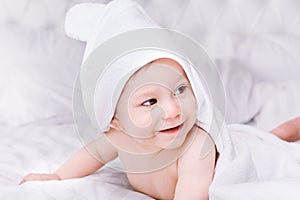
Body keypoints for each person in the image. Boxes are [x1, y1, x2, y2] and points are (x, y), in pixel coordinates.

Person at [20, 58, 217, 200]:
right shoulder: (121, 138)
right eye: (150, 102)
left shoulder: (196, 147)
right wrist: (58, 176)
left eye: (180, 90)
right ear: (115, 121)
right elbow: (94, 153)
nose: (174, 110)